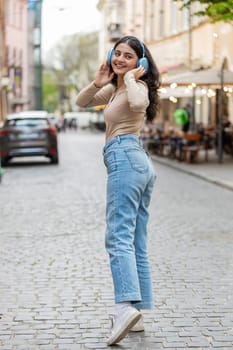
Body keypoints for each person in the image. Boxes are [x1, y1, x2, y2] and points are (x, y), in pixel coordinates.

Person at [76, 35, 160, 346]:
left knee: (118, 236)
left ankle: (123, 307)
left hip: (126, 157)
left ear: (140, 62)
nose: (120, 59)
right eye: (117, 54)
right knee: (135, 239)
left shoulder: (136, 87)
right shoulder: (116, 88)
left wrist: (130, 78)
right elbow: (82, 101)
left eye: (128, 56)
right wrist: (99, 81)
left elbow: (140, 104)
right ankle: (136, 314)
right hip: (132, 160)